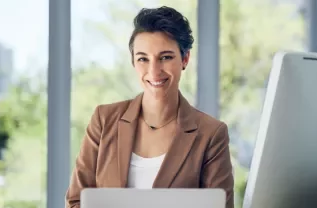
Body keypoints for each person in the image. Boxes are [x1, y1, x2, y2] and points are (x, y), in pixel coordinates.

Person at [65, 6, 234, 208]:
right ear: (133, 62)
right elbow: (75, 202)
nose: (154, 71)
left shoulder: (211, 134)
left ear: (185, 59)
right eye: (143, 59)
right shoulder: (104, 120)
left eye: (166, 57)